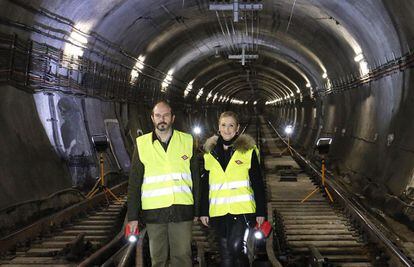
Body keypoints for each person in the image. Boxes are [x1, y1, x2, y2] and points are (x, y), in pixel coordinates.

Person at [127, 100, 199, 267]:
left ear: (172, 118)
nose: (162, 119)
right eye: (158, 115)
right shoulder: (142, 144)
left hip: (182, 210)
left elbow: (196, 179)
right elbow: (135, 183)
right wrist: (132, 217)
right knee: (158, 259)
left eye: (165, 115)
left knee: (182, 257)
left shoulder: (187, 141)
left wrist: (197, 210)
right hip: (154, 212)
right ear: (152, 118)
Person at [200, 111, 266, 267]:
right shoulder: (210, 154)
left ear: (237, 128)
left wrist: (261, 211)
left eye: (231, 125)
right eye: (223, 125)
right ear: (218, 127)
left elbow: (257, 182)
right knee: (225, 255)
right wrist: (204, 210)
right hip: (218, 211)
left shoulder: (248, 151)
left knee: (236, 247)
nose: (227, 129)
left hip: (241, 211)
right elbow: (205, 185)